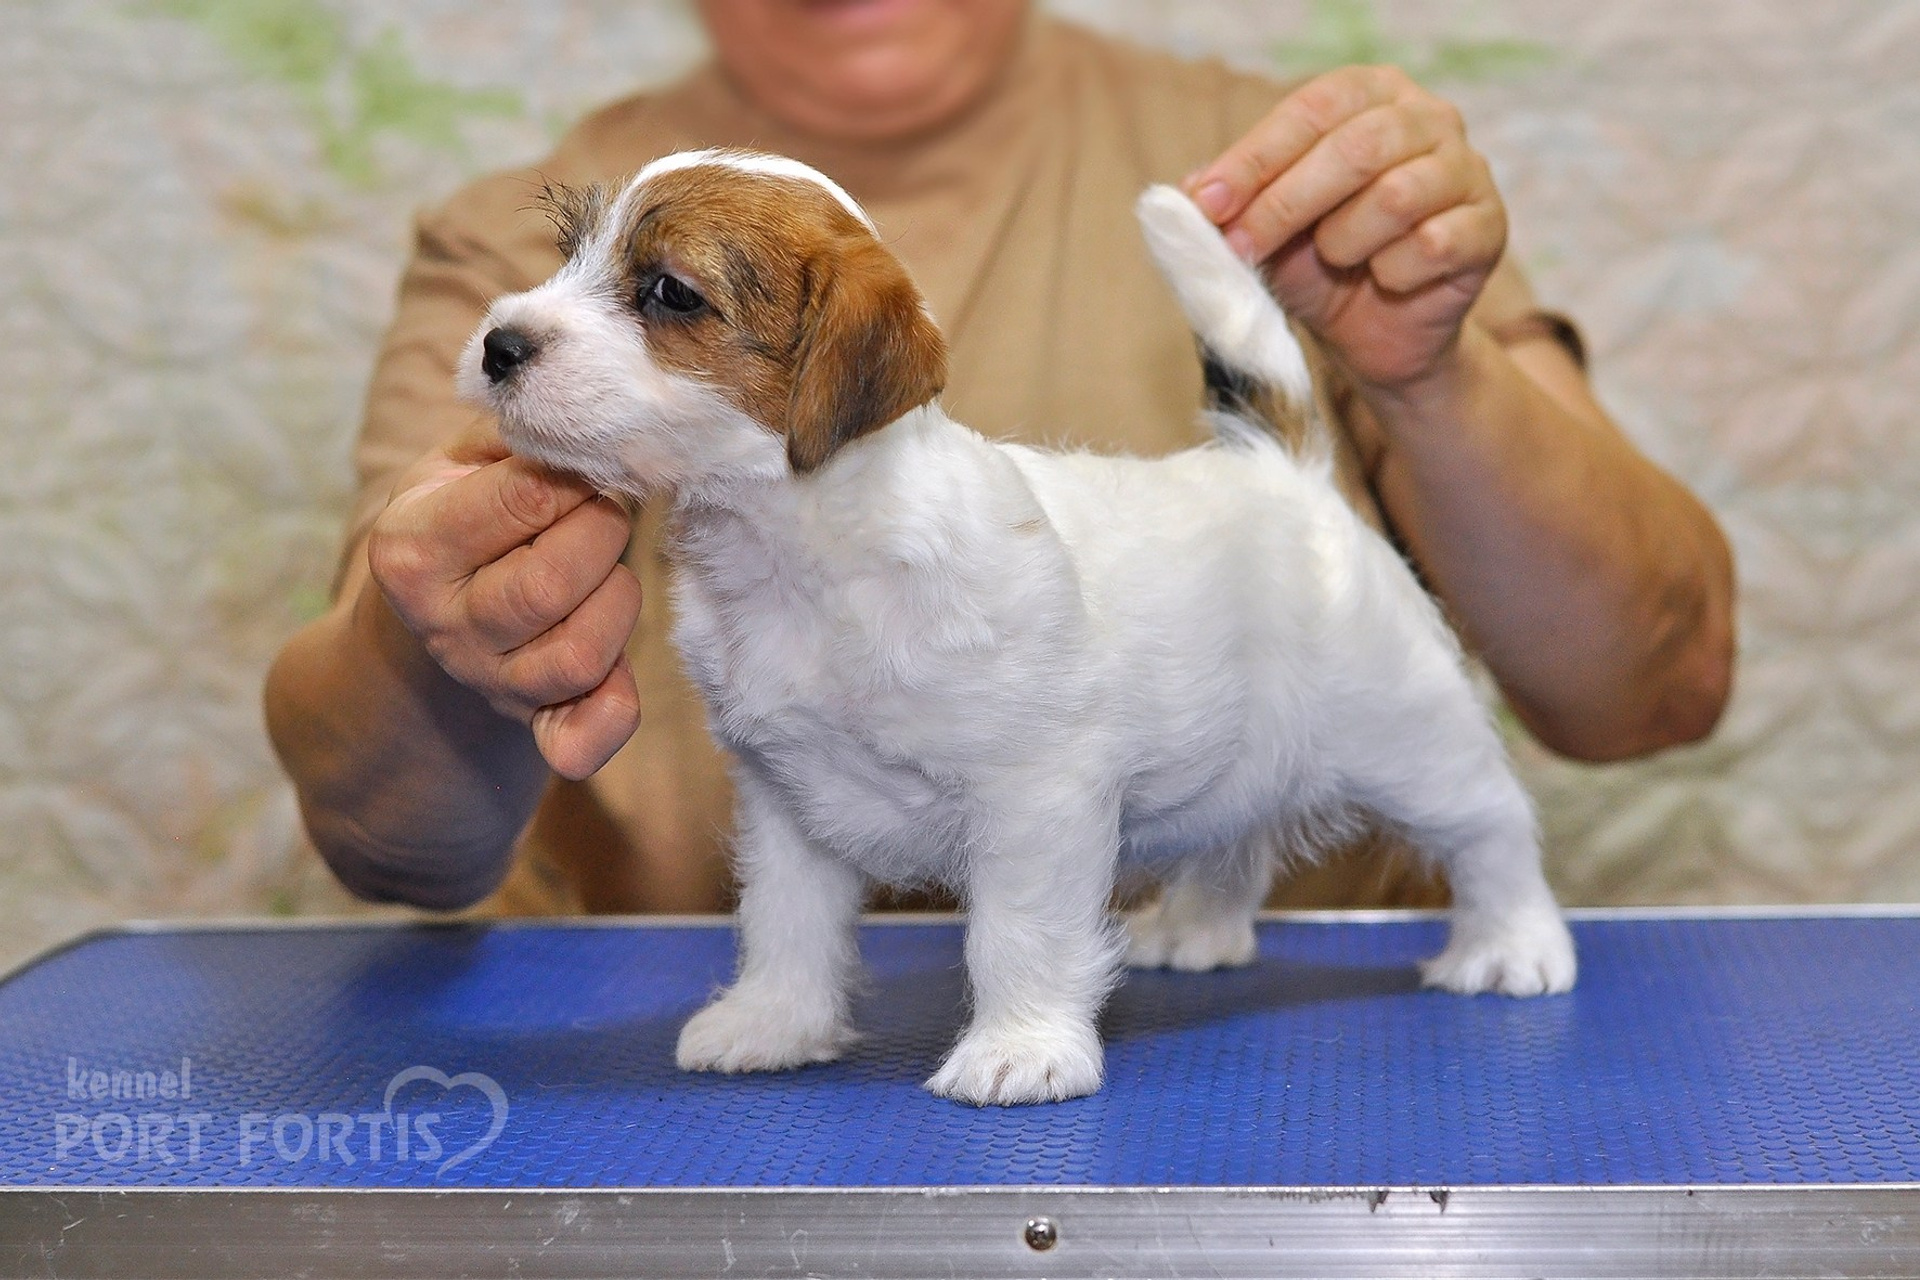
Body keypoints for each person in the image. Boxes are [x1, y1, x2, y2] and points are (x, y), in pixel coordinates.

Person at [264, 0, 1735, 917]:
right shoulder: (506, 247)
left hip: (1266, 1026)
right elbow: (385, 842)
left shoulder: (1290, 177)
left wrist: (1431, 374)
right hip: (711, 1074)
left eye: (661, 298)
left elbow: (1657, 687)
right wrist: (440, 640)